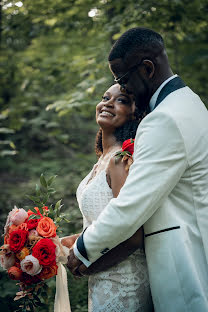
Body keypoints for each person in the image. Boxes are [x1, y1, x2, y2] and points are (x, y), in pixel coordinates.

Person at [67, 27, 208, 312]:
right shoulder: (191, 104)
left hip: (182, 266)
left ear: (147, 68)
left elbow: (131, 205)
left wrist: (82, 251)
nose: (122, 88)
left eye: (123, 79)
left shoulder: (165, 118)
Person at [62, 83, 153, 311]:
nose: (107, 103)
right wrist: (56, 244)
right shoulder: (101, 161)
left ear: (135, 113)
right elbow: (100, 225)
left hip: (124, 283)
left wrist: (88, 266)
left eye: (121, 100)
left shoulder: (121, 161)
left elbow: (133, 236)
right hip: (101, 283)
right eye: (105, 97)